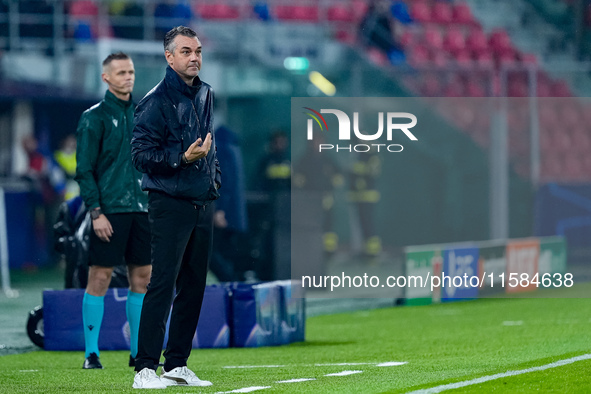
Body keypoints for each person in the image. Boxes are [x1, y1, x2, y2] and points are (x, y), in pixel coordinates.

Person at [130, 25, 221, 389]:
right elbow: (139, 156)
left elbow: (209, 147)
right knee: (162, 284)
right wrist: (181, 159)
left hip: (201, 202)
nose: (194, 57)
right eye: (186, 51)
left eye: (197, 50)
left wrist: (214, 183)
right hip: (168, 203)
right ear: (169, 57)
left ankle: (177, 364)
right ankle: (144, 369)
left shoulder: (206, 93)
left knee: (194, 285)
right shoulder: (154, 101)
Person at [75, 52, 151, 370]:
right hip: (109, 211)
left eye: (131, 72)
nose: (128, 77)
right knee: (100, 277)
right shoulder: (93, 118)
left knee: (143, 279)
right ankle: (91, 353)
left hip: (142, 208)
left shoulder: (145, 114)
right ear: (106, 77)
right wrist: (95, 211)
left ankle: (137, 354)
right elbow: (84, 170)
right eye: (121, 73)